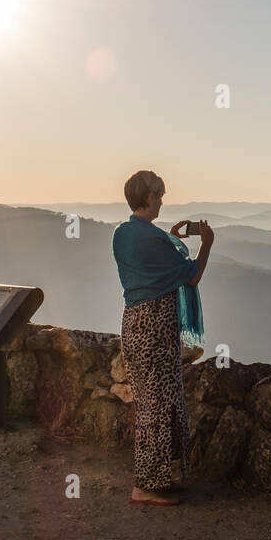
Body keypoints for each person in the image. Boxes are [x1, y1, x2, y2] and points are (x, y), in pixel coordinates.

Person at [111, 170, 214, 508]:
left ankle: (161, 478)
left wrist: (171, 241)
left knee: (156, 402)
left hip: (134, 326)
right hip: (155, 329)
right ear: (149, 197)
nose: (161, 200)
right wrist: (206, 244)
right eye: (159, 194)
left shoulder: (121, 234)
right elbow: (191, 276)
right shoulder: (152, 239)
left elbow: (154, 264)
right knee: (157, 407)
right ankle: (145, 486)